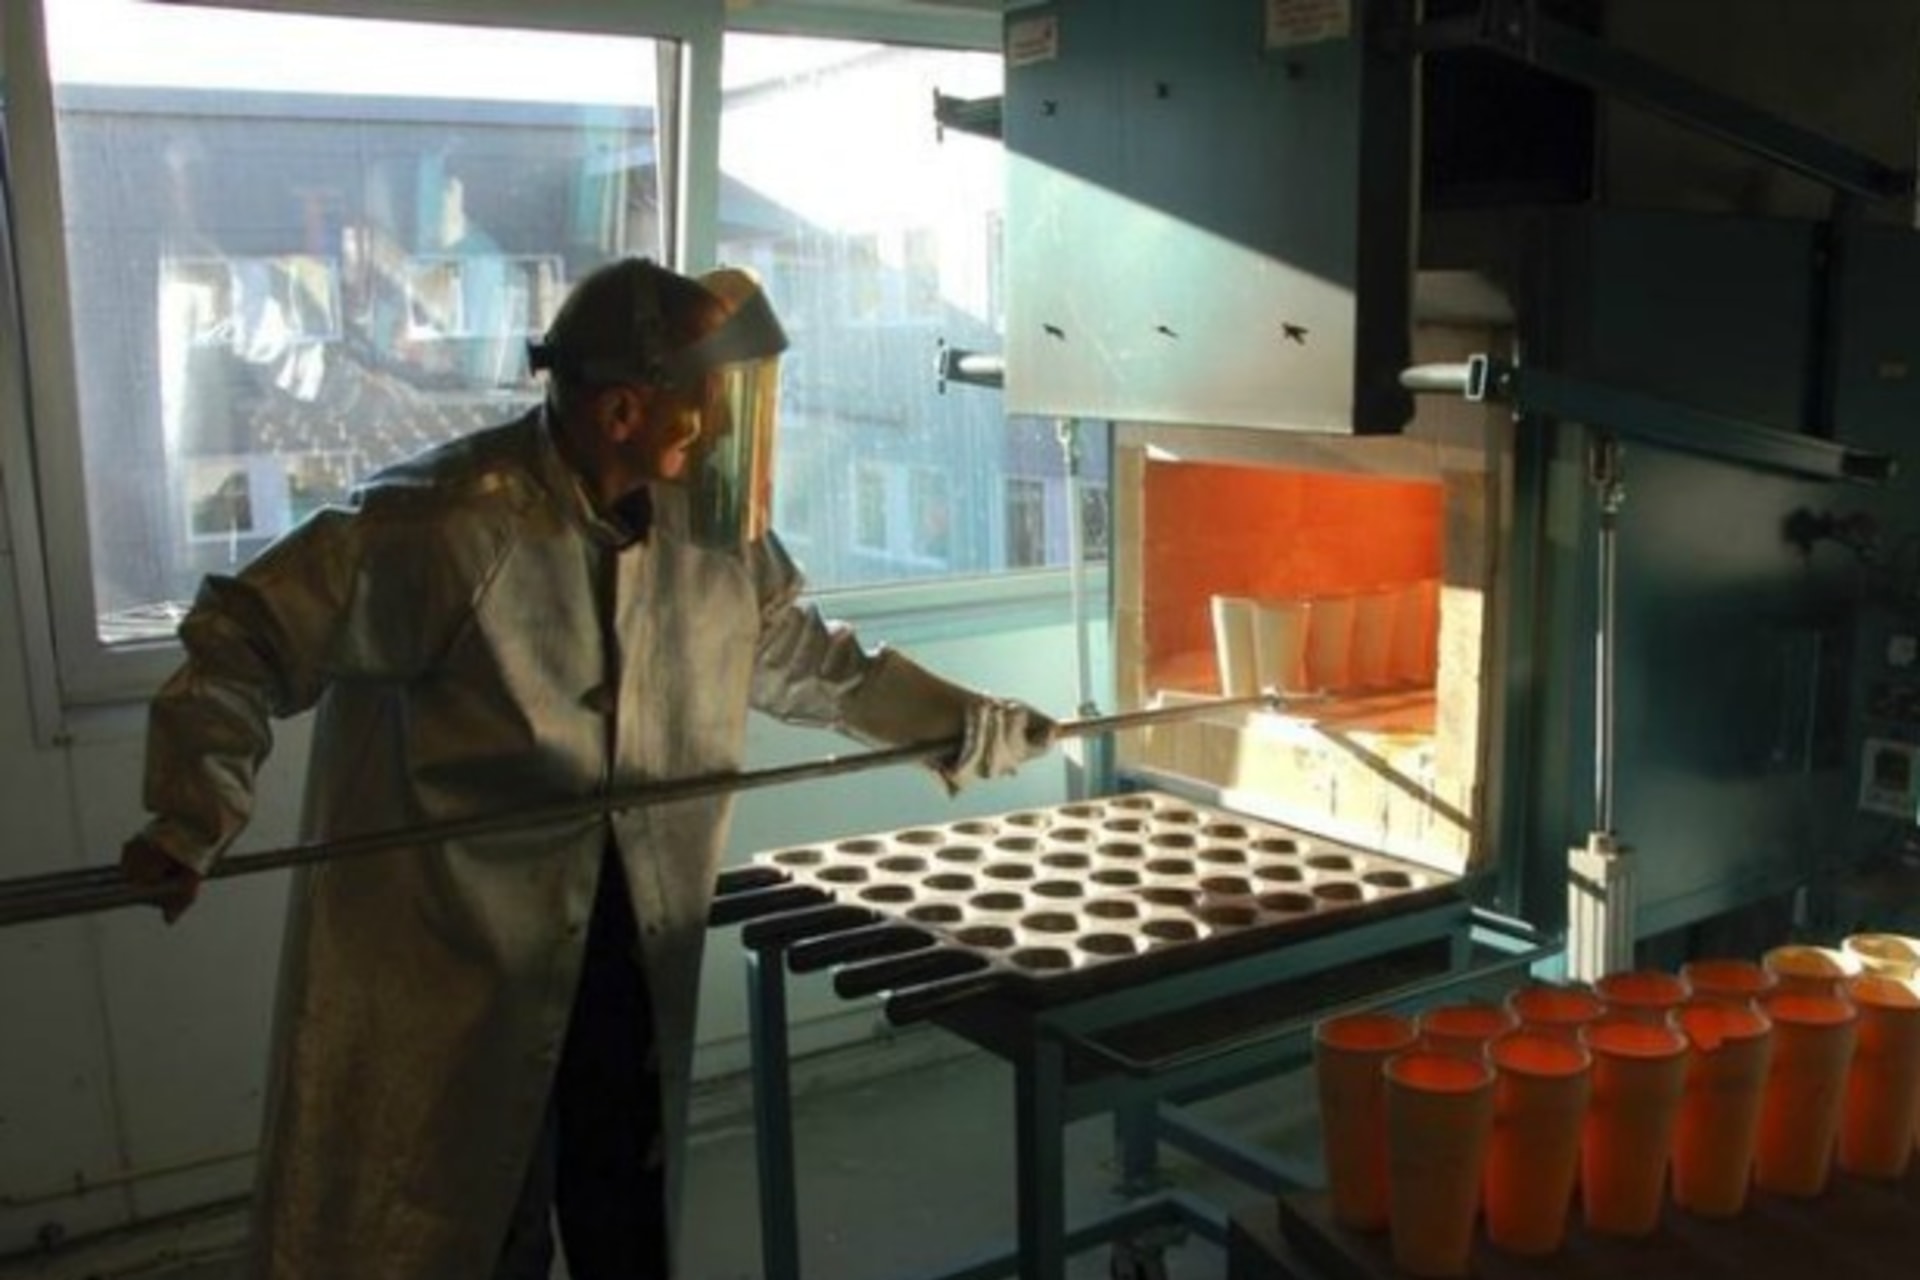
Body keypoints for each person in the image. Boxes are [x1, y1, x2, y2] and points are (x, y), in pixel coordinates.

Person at [119, 257, 1056, 1280]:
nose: (729, 432)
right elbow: (245, 634)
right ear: (621, 411)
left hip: (626, 940)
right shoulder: (444, 524)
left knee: (622, 1201)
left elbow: (820, 666)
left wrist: (970, 723)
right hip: (459, 962)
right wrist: (192, 811)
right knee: (464, 1221)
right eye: (709, 406)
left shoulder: (712, 537)